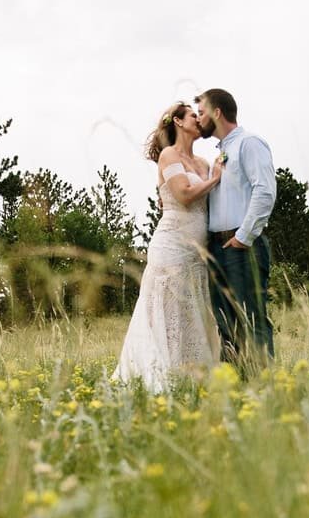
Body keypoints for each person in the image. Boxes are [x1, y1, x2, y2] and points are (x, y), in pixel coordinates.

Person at [114, 102, 221, 390]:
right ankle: (161, 375)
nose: (199, 120)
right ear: (178, 121)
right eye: (192, 116)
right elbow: (184, 194)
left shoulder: (203, 163)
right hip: (171, 244)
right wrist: (214, 180)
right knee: (167, 309)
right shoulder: (168, 155)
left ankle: (192, 376)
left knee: (192, 311)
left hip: (198, 250)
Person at [195, 89, 276, 366]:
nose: (198, 118)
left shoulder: (249, 143)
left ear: (217, 112)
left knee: (251, 317)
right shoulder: (220, 154)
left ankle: (264, 382)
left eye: (202, 112)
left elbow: (264, 191)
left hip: (242, 247)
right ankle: (235, 387)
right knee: (225, 322)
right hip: (218, 248)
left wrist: (243, 236)